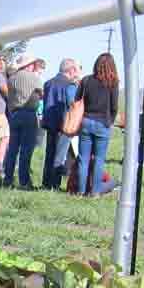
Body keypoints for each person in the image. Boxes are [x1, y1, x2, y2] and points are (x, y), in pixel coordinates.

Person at [74, 53, 120, 197]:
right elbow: (114, 106)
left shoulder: (86, 80)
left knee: (83, 159)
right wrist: (110, 121)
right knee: (99, 160)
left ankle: (80, 192)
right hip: (103, 123)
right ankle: (95, 193)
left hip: (86, 121)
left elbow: (76, 100)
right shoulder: (113, 83)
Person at [1, 55, 44, 189]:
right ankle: (24, 181)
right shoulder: (34, 78)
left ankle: (8, 179)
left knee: (12, 149)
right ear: (29, 65)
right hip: (29, 114)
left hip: (14, 115)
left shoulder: (11, 79)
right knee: (26, 150)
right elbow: (42, 94)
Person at [41, 59, 81, 190]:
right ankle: (55, 184)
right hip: (63, 125)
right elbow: (71, 105)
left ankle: (46, 183)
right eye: (75, 69)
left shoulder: (48, 83)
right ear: (70, 70)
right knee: (60, 157)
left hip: (49, 123)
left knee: (49, 154)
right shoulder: (69, 85)